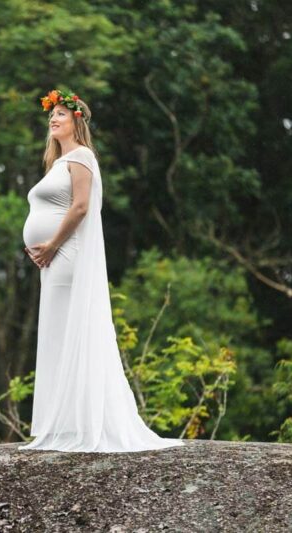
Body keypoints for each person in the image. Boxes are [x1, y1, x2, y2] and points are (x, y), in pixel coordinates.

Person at [19, 88, 186, 453]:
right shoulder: (59, 163)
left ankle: (78, 422)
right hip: (54, 260)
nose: (53, 119)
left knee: (69, 332)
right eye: (52, 115)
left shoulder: (81, 157)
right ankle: (62, 421)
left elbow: (80, 208)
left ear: (77, 121)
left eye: (61, 114)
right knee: (59, 333)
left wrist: (51, 245)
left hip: (65, 255)